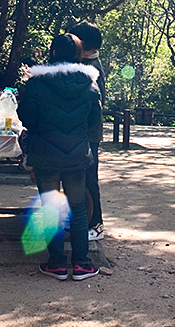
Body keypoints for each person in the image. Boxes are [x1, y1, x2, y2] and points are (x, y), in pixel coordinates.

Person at [18, 33, 102, 281]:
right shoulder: (90, 83)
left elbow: (27, 117)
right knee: (77, 208)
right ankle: (81, 264)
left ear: (53, 53)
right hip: (77, 156)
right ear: (79, 54)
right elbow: (94, 121)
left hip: (45, 154)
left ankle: (55, 263)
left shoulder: (37, 82)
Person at [68, 21, 107, 242]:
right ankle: (83, 219)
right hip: (83, 133)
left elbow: (93, 105)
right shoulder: (85, 63)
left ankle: (96, 223)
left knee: (89, 179)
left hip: (88, 134)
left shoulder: (92, 69)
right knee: (81, 178)